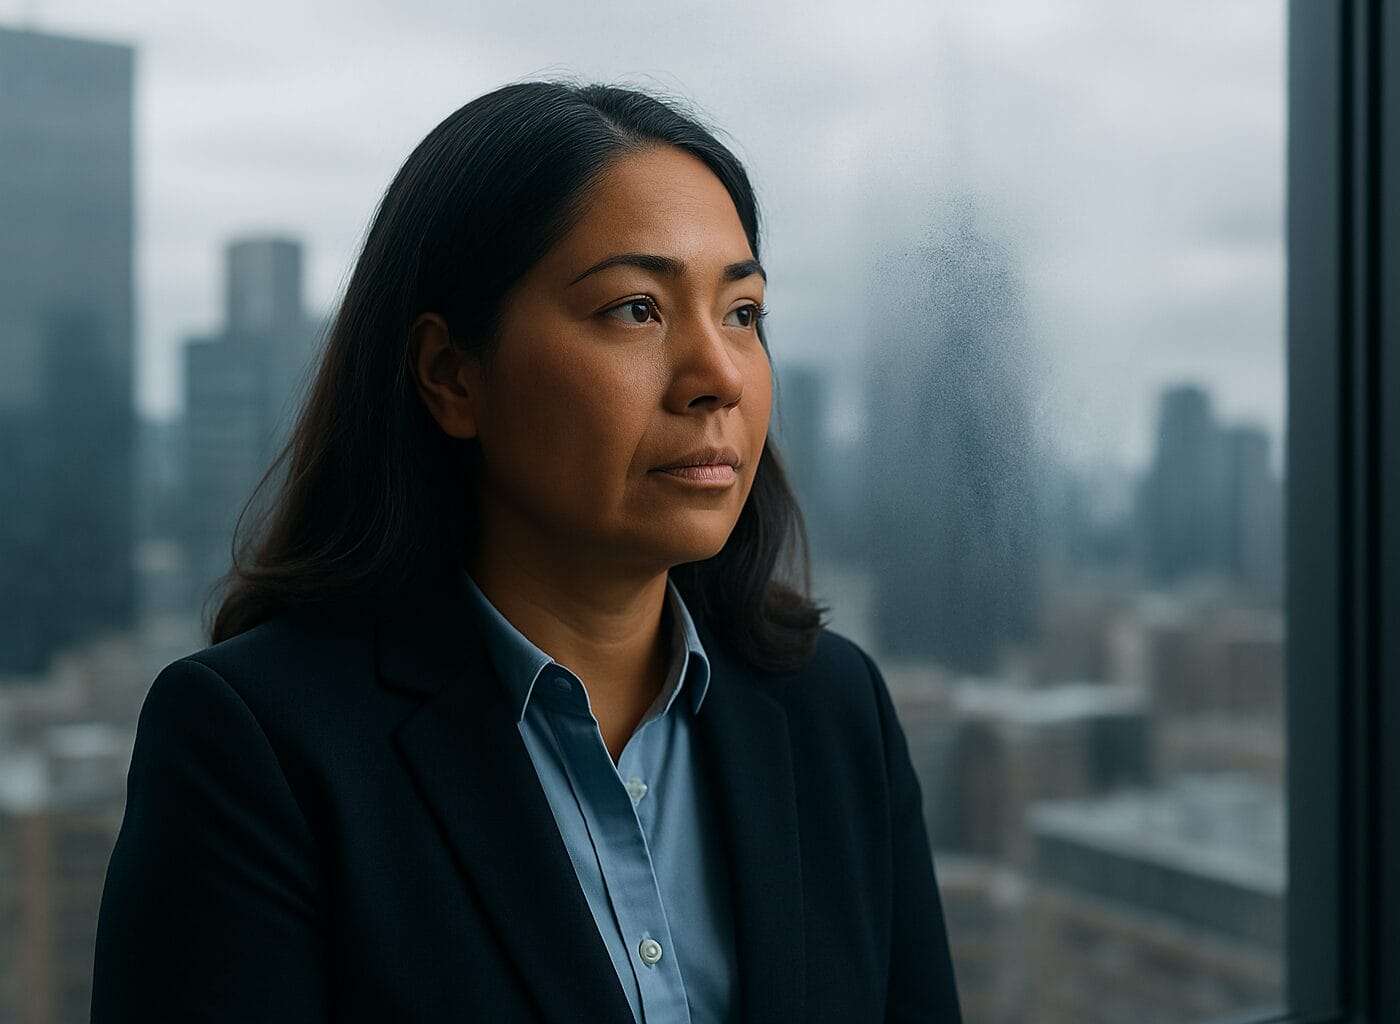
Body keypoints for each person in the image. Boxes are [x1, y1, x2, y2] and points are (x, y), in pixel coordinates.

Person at [90, 79, 962, 1023]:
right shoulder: (258, 749)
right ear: (452, 375)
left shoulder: (834, 711)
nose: (718, 376)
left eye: (743, 313)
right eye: (636, 309)